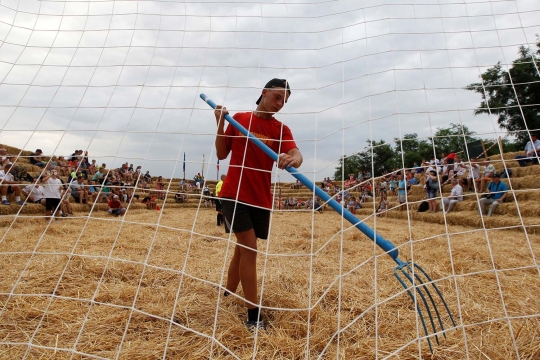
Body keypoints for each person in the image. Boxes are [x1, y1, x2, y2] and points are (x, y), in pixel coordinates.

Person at [213, 78, 302, 331]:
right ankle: (253, 315)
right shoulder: (239, 119)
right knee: (249, 249)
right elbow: (221, 153)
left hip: (261, 198)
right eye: (277, 97)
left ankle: (228, 294)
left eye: (284, 101)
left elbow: (297, 154)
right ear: (263, 92)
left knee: (242, 250)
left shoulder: (281, 129)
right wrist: (220, 122)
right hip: (234, 195)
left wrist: (292, 159)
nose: (280, 104)